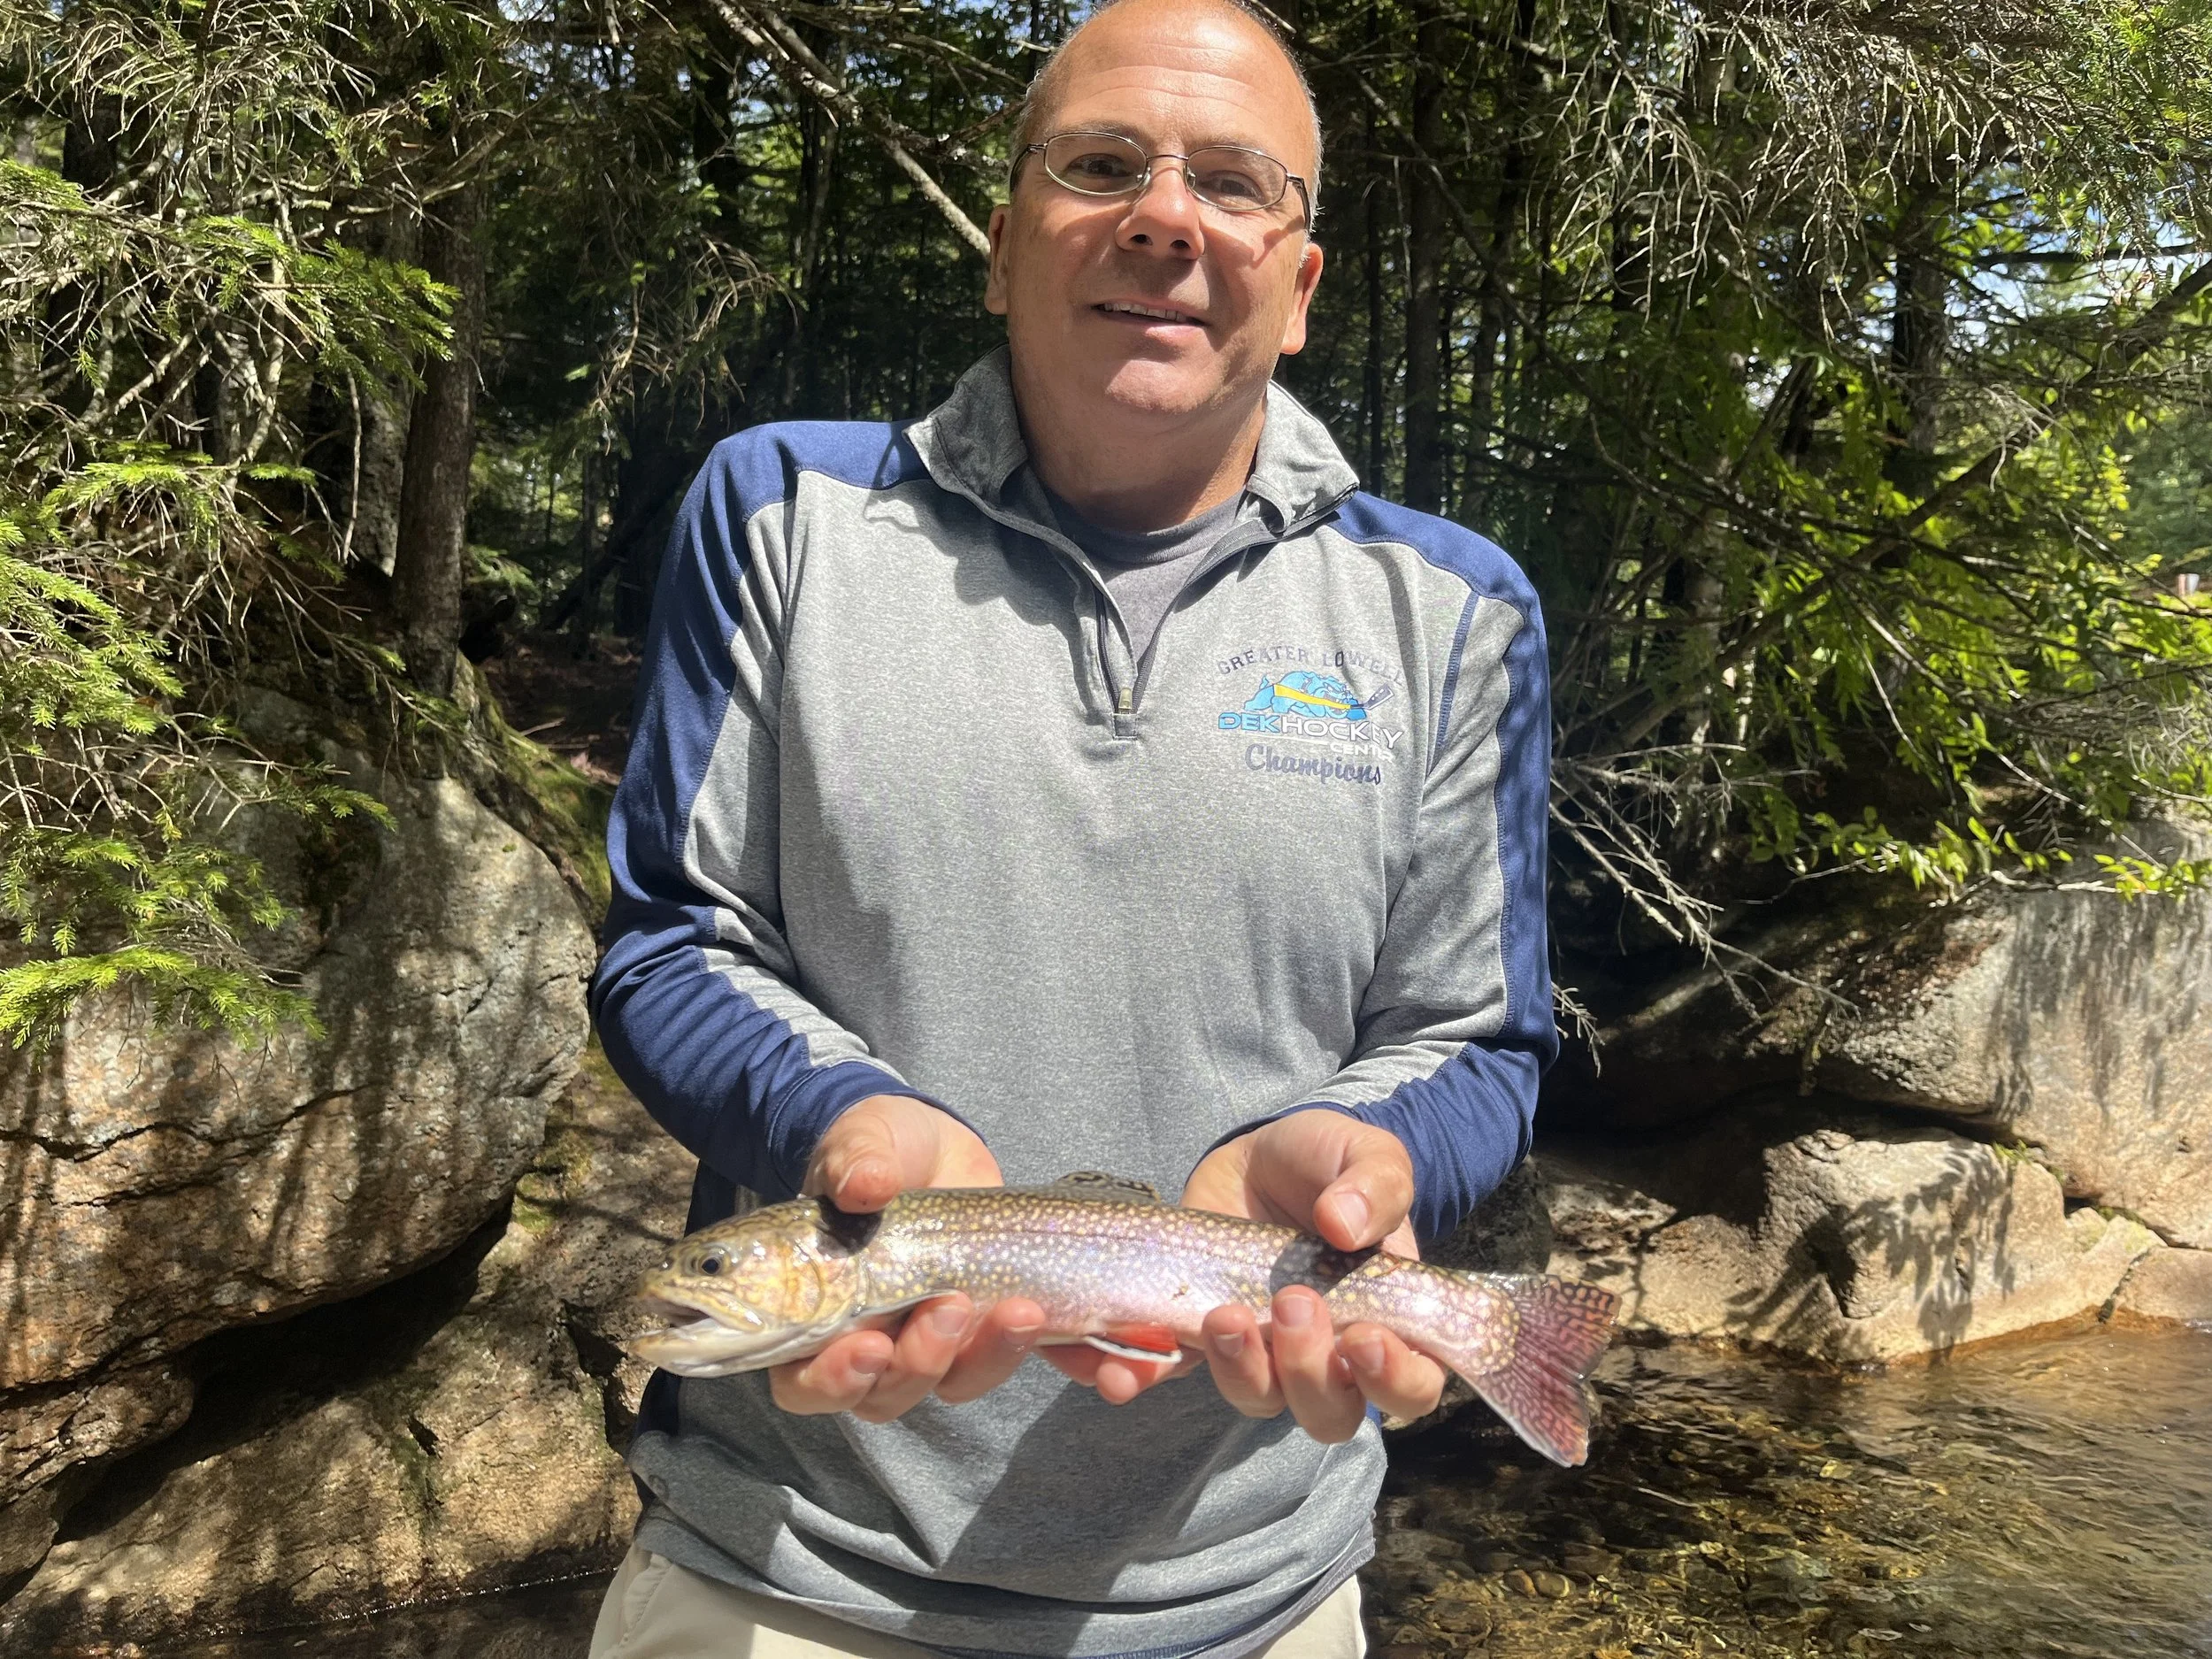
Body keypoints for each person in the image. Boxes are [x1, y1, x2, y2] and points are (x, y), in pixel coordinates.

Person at [586, 0, 1555, 1655]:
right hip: (777, 1574)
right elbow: (674, 941)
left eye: (1237, 185)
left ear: (1301, 285)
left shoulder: (1457, 610)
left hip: (1261, 1600)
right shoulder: (779, 515)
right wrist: (844, 1116)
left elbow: (1471, 1032)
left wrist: (1376, 1163)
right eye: (1101, 163)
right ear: (1003, 244)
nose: (1166, 218)